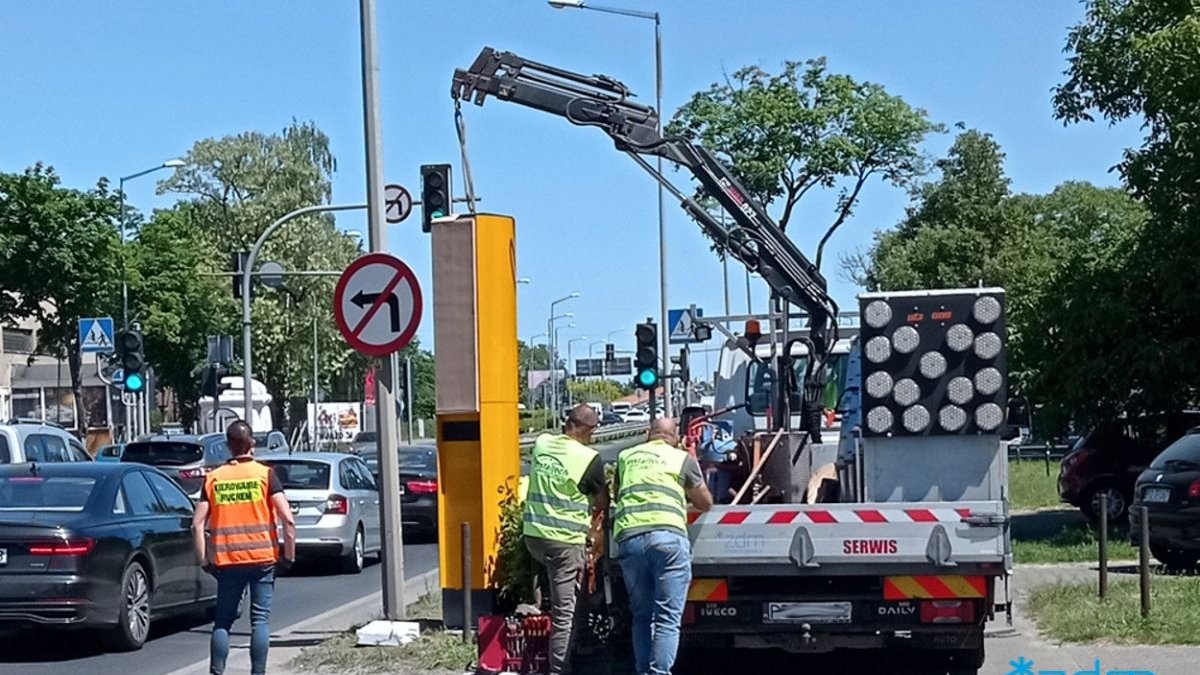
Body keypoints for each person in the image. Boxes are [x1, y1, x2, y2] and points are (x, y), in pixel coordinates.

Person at [192, 421, 296, 675]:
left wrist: (205, 560)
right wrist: (289, 556)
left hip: (227, 561)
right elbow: (288, 520)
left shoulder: (214, 478)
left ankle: (217, 671)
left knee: (223, 622)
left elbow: (197, 525)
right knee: (259, 621)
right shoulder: (265, 475)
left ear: (228, 446)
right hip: (263, 559)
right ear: (252, 444)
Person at [614, 418, 713, 675]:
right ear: (676, 436)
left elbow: (618, 493)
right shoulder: (681, 458)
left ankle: (643, 671)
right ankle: (659, 673)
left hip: (631, 538)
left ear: (649, 434)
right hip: (668, 539)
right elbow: (705, 502)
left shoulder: (626, 456)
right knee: (667, 618)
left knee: (642, 615)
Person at [523, 404, 610, 675]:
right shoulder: (588, 458)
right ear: (586, 429)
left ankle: (581, 642)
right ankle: (559, 669)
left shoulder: (542, 443)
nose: (594, 436)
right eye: (593, 430)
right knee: (565, 614)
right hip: (563, 542)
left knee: (575, 590)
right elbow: (602, 501)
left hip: (534, 536)